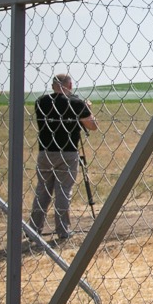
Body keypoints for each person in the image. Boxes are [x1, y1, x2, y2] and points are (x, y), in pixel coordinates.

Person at [30, 73, 97, 239]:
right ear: (70, 85)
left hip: (45, 151)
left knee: (42, 190)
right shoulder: (76, 103)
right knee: (63, 191)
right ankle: (63, 230)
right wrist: (87, 109)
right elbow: (92, 125)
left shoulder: (41, 102)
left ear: (53, 86)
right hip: (68, 151)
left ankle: (33, 229)